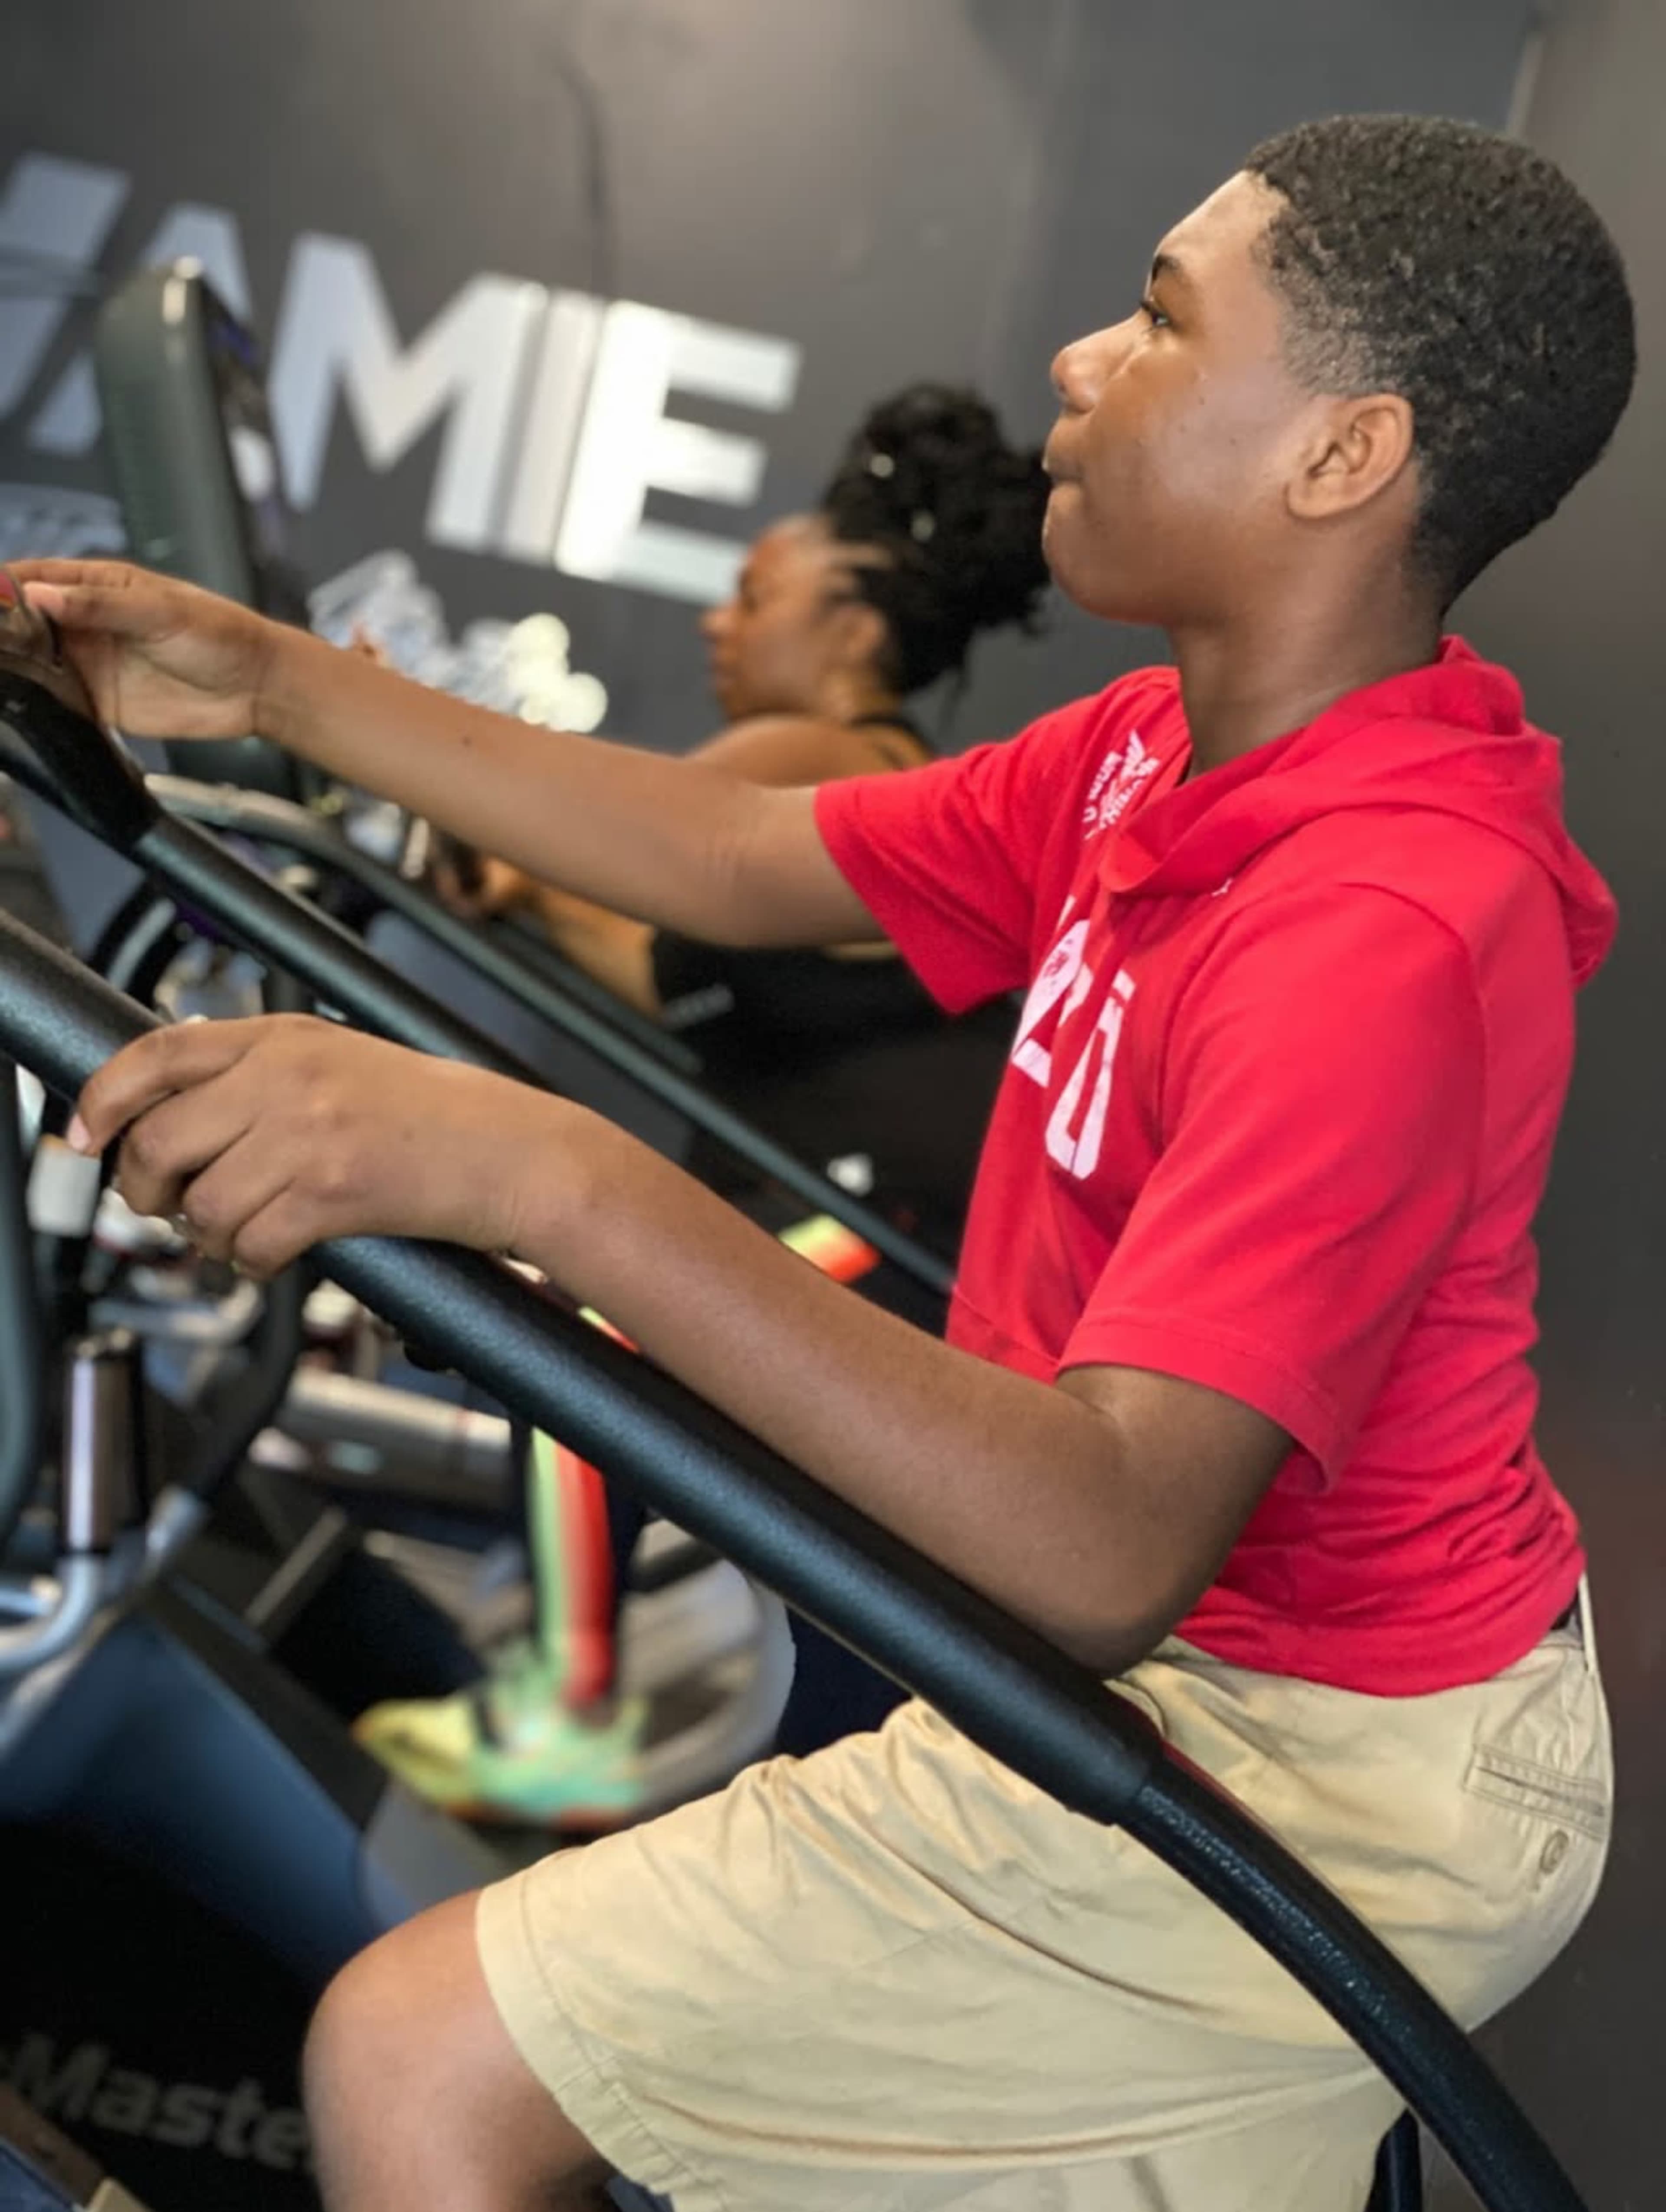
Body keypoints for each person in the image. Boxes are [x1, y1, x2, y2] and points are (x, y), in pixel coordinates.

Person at [16, 110, 1633, 2212]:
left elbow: (1103, 1544)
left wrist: (543, 1174)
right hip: (1187, 1664)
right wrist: (280, 689)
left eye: (1156, 322)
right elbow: (743, 852)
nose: (1078, 362)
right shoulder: (1168, 748)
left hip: (1309, 1752)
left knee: (422, 2064)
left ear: (1342, 456)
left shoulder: (1385, 922)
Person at [349, 387, 1052, 1829]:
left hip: (899, 1232)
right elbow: (629, 944)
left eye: (754, 592)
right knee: (592, 1336)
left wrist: (384, 726)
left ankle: (568, 1708)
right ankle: (567, 1699)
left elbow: (603, 845)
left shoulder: (820, 758)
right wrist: (493, 869)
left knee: (597, 1340)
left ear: (855, 625)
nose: (714, 624)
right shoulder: (816, 819)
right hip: (866, 1221)